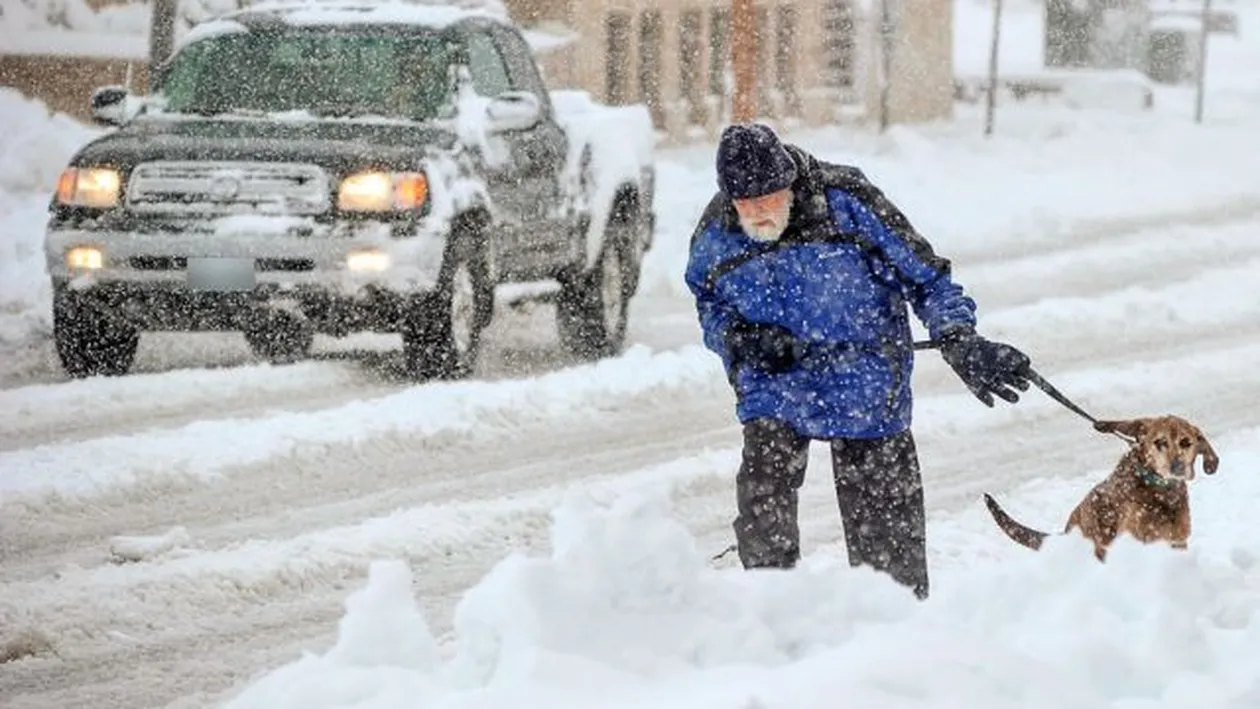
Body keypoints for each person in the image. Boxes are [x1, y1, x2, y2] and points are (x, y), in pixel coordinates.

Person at [684, 123, 1034, 600]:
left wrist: (957, 338)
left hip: (865, 384)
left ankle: (893, 622)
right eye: (748, 204)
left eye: (771, 198)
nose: (761, 212)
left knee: (886, 547)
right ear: (729, 199)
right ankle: (771, 608)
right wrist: (740, 339)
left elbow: (927, 278)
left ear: (790, 183)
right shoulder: (716, 234)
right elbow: (708, 301)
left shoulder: (846, 200)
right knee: (764, 502)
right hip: (777, 385)